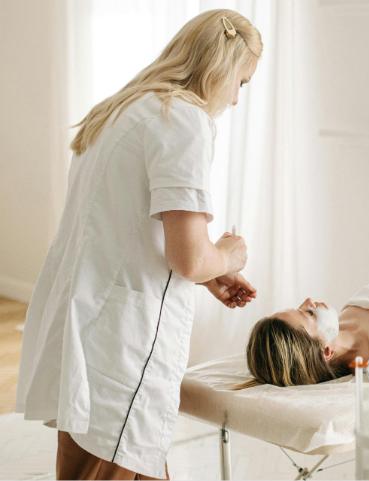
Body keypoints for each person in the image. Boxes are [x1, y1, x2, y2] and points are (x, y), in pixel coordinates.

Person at [15, 10, 261, 480]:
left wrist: (213, 273)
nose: (234, 99)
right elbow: (188, 257)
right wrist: (229, 253)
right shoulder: (183, 119)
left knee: (102, 458)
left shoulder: (122, 109)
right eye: (241, 83)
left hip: (89, 318)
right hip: (125, 336)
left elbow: (126, 231)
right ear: (221, 69)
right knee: (116, 460)